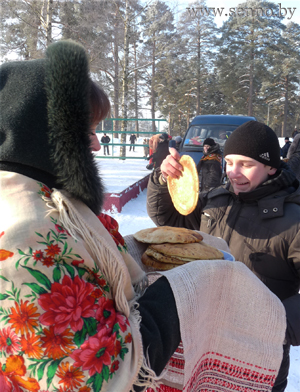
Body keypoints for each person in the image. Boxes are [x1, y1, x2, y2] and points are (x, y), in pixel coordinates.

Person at [147, 120, 300, 392]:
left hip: (259, 356)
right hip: (205, 343)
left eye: (246, 164)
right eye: (229, 162)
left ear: (271, 167)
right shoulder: (216, 201)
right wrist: (162, 180)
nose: (233, 172)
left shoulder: (294, 219)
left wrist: (273, 325)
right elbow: (169, 219)